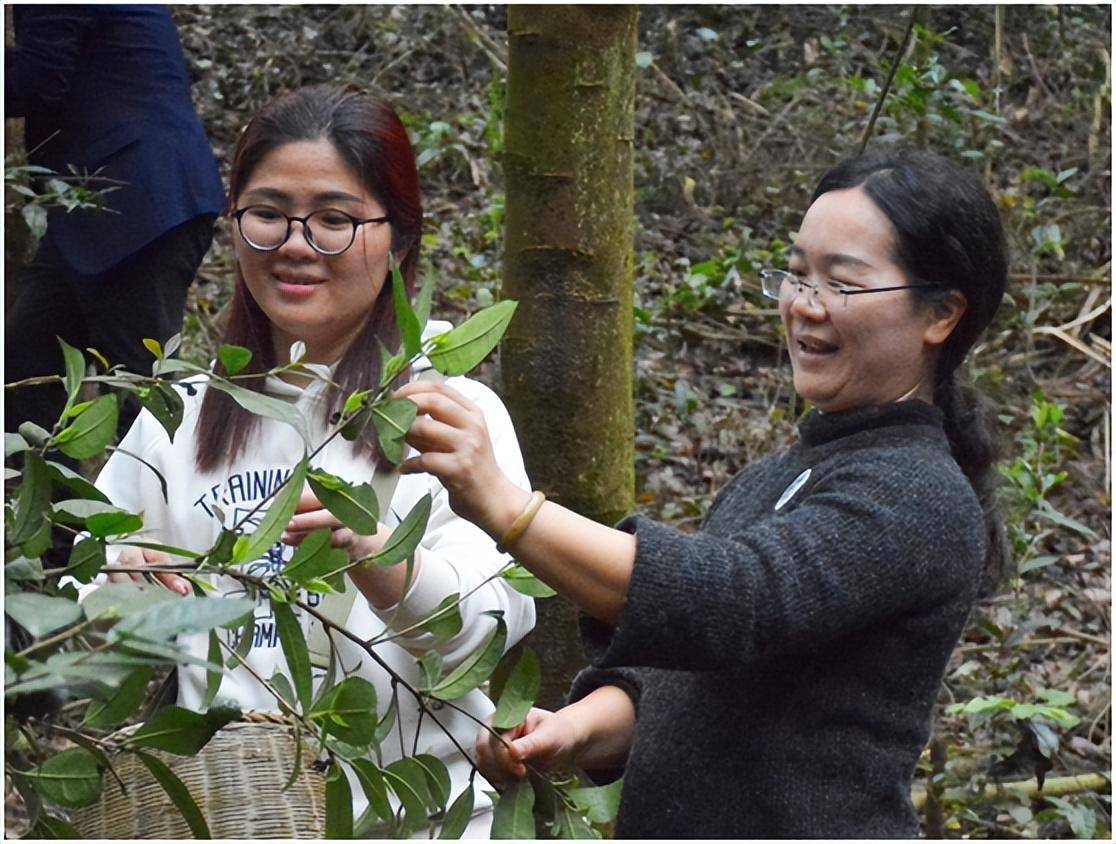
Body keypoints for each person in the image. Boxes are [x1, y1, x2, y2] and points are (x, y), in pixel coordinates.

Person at [396, 150, 1009, 838]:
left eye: (842, 284)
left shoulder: (920, 495)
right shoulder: (773, 478)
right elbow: (678, 674)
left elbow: (734, 601)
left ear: (941, 314)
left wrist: (505, 506)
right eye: (797, 274)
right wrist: (574, 731)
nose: (804, 307)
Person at [82, 84, 535, 836]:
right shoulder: (182, 415)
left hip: (417, 821)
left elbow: (490, 625)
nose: (296, 243)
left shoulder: (447, 414)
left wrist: (384, 563)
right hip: (237, 816)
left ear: (399, 236)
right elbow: (86, 598)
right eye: (267, 214)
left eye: (335, 219)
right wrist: (118, 589)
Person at [5, 5, 224, 442]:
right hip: (110, 203)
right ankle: (47, 507)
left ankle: (162, 505)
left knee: (143, 392)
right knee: (24, 364)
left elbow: (40, 78)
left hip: (134, 200)